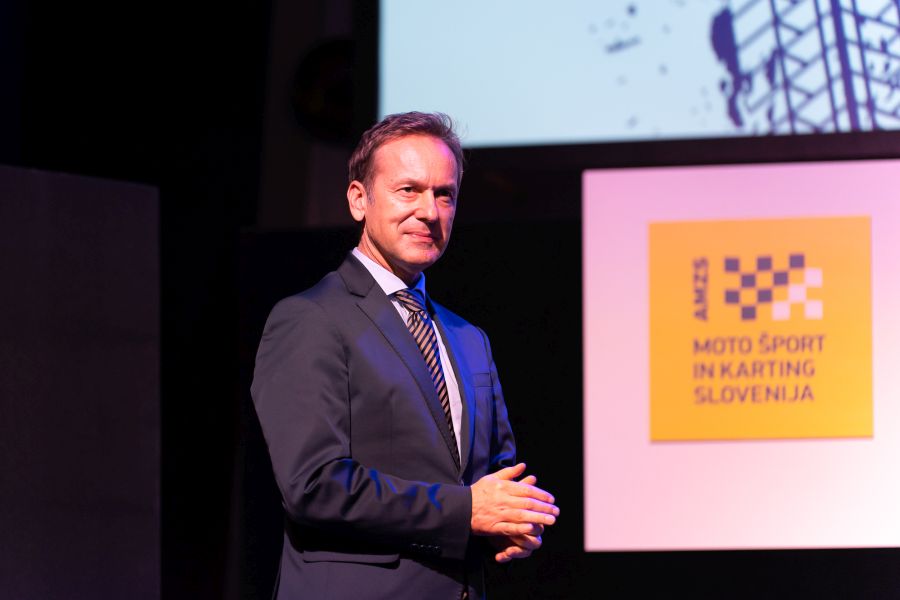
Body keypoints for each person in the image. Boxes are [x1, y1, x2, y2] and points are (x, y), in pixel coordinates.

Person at [251, 111, 559, 599]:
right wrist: (466, 511)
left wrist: (511, 519)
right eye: (408, 190)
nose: (429, 211)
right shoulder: (311, 319)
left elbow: (489, 478)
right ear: (359, 200)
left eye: (445, 195)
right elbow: (314, 486)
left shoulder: (468, 338)